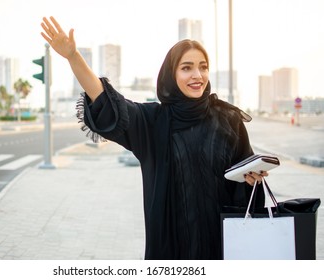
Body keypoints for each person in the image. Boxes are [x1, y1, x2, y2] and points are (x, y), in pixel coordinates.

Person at [40, 16, 268, 260]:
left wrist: (253, 178)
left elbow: (245, 176)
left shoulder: (227, 119)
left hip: (221, 245)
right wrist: (73, 57)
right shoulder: (153, 122)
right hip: (171, 250)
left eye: (203, 66)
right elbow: (109, 103)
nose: (197, 75)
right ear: (171, 74)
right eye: (186, 67)